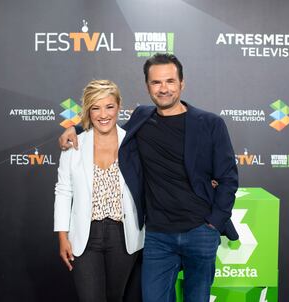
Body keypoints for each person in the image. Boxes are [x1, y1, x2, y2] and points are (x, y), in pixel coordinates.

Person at [59, 54, 239, 302]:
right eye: (156, 82)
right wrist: (76, 128)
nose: (163, 88)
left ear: (182, 83)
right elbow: (106, 122)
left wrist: (214, 223)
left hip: (200, 231)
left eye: (169, 81)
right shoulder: (142, 118)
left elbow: (228, 179)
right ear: (147, 87)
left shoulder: (210, 123)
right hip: (157, 237)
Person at [54, 79, 145, 302]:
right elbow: (64, 192)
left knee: (116, 298)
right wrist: (62, 237)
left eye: (109, 106)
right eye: (95, 107)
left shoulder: (134, 143)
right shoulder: (74, 145)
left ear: (119, 107)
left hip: (123, 235)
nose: (103, 114)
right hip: (85, 235)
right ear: (88, 111)